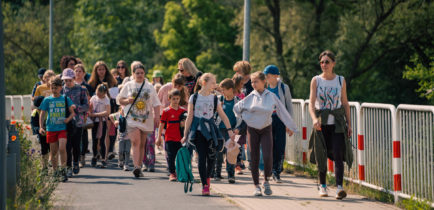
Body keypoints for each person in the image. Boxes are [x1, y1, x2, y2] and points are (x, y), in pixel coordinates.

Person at [233, 72, 297, 196]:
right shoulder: (250, 96)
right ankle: (256, 186)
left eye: (256, 81)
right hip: (252, 130)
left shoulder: (271, 96)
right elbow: (236, 108)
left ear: (263, 82)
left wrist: (291, 126)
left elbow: (282, 111)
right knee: (255, 159)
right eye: (252, 82)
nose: (253, 84)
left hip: (266, 129)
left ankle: (266, 181)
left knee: (268, 156)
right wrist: (246, 118)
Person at [308, 50, 353, 199]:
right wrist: (314, 119)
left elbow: (345, 103)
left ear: (333, 63)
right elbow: (311, 103)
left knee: (338, 154)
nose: (324, 64)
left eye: (327, 62)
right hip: (321, 123)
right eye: (321, 62)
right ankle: (322, 186)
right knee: (321, 155)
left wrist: (349, 124)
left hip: (337, 124)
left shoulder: (340, 80)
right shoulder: (316, 80)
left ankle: (339, 187)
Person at [181, 73, 235, 196]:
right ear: (204, 83)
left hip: (211, 132)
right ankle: (205, 185)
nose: (215, 85)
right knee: (201, 157)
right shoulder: (194, 98)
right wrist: (185, 135)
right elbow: (189, 117)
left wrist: (230, 131)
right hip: (198, 132)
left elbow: (223, 115)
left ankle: (207, 179)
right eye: (212, 82)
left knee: (212, 157)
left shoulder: (214, 98)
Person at [117, 61, 161, 178]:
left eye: (142, 73)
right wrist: (127, 101)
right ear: (133, 74)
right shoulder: (129, 85)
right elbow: (119, 100)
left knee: (142, 144)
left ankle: (139, 166)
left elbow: (156, 104)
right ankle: (136, 166)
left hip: (146, 119)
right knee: (135, 141)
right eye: (137, 73)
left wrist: (157, 116)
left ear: (144, 73)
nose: (140, 75)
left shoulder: (149, 87)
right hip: (132, 118)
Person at [39, 76, 75, 182]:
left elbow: (73, 112)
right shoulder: (47, 100)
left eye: (56, 88)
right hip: (51, 128)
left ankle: (63, 170)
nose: (54, 90)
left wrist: (68, 119)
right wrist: (41, 127)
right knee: (53, 152)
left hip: (62, 128)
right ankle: (55, 172)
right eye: (52, 88)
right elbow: (42, 114)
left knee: (62, 148)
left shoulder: (65, 99)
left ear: (60, 88)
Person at [263, 65, 294, 183]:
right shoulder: (265, 87)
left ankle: (277, 171)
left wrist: (289, 124)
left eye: (268, 76)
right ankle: (269, 169)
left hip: (280, 120)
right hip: (268, 120)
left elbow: (289, 106)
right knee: (269, 145)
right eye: (265, 76)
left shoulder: (283, 87)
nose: (266, 78)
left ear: (276, 76)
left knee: (280, 146)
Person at [214, 79, 243, 184]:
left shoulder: (238, 102)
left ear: (231, 89)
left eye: (224, 90)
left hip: (234, 131)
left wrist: (238, 128)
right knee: (219, 152)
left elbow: (243, 118)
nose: (222, 92)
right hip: (220, 129)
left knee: (231, 153)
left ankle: (231, 175)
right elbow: (213, 115)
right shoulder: (219, 100)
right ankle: (217, 174)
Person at [62, 68, 89, 177]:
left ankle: (76, 162)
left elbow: (86, 106)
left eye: (69, 80)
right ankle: (68, 167)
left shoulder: (81, 90)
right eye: (65, 80)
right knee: (67, 145)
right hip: (65, 121)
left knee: (76, 144)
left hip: (78, 121)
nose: (68, 82)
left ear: (74, 78)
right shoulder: (61, 91)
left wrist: (76, 108)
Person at [156, 89, 186, 181]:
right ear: (169, 99)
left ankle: (180, 172)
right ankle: (172, 173)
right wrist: (159, 137)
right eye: (174, 99)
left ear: (180, 99)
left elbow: (188, 123)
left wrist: (184, 124)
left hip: (180, 138)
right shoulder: (166, 111)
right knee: (171, 156)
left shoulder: (183, 111)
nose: (176, 101)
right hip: (169, 138)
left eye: (177, 99)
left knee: (180, 156)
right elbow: (162, 124)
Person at [74, 64, 92, 167]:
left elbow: (90, 100)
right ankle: (74, 157)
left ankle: (82, 156)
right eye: (76, 71)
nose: (78, 73)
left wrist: (87, 113)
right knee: (73, 136)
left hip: (83, 113)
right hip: (72, 114)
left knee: (83, 135)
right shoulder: (69, 85)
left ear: (84, 73)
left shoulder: (87, 86)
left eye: (80, 71)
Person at [89, 83, 111, 168]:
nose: (98, 95)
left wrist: (96, 114)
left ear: (104, 93)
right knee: (94, 140)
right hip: (94, 122)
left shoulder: (106, 99)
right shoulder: (93, 98)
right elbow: (90, 107)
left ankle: (103, 158)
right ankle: (94, 156)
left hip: (102, 122)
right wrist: (90, 113)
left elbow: (107, 112)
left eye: (100, 94)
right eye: (97, 93)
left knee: (102, 140)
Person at [109, 107, 131, 171]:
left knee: (127, 151)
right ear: (120, 110)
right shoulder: (118, 115)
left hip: (129, 136)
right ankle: (121, 161)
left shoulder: (130, 115)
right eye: (122, 110)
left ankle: (126, 164)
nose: (124, 111)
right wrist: (115, 121)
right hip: (120, 136)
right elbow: (110, 116)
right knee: (120, 151)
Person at [31, 96, 50, 171]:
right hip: (42, 135)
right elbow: (34, 125)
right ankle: (44, 167)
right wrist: (39, 129)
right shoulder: (34, 113)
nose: (39, 109)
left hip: (51, 132)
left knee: (52, 149)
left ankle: (53, 165)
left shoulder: (49, 110)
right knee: (44, 150)